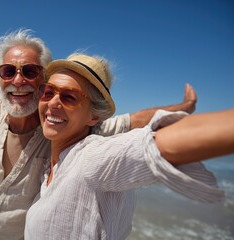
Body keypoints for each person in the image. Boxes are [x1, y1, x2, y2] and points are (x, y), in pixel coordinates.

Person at [0, 29, 198, 240]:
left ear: (42, 80)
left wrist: (183, 108)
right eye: (8, 71)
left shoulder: (65, 127)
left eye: (29, 71)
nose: (18, 80)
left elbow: (133, 122)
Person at [24, 53, 234, 240]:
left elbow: (161, 144)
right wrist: (184, 106)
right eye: (48, 92)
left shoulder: (91, 158)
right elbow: (134, 119)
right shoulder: (50, 169)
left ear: (94, 116)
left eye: (69, 97)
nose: (52, 103)